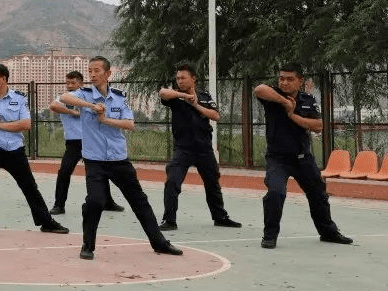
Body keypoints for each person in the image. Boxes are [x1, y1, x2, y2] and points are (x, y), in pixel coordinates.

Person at [58, 56, 183, 260]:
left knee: (139, 201)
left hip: (119, 159)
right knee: (96, 201)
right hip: (95, 160)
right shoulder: (83, 94)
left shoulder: (118, 97)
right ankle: (88, 246)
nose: (92, 74)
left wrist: (106, 120)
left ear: (108, 74)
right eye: (90, 71)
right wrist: (90, 106)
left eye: (97, 70)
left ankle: (159, 243)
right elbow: (64, 98)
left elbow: (130, 124)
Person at [0, 64, 69, 233]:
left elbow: (26, 124)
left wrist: (1, 125)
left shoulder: (19, 98)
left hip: (15, 151)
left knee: (30, 187)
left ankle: (46, 222)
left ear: (3, 79)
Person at [254, 63, 352, 249]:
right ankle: (270, 236)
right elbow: (259, 89)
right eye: (281, 78)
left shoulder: (308, 100)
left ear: (300, 81)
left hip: (302, 158)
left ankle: (328, 233)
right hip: (277, 159)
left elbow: (317, 126)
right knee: (275, 193)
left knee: (318, 194)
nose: (284, 82)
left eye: (290, 79)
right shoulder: (273, 96)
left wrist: (292, 115)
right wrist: (284, 102)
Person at [157, 64, 241, 231]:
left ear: (193, 79)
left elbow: (216, 116)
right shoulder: (175, 96)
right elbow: (162, 93)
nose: (179, 81)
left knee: (213, 183)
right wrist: (184, 96)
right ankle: (169, 220)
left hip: (204, 149)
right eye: (177, 78)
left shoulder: (205, 96)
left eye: (183, 78)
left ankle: (220, 217)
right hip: (183, 149)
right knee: (172, 181)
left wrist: (196, 105)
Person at [48, 70, 124, 215]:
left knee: (99, 172)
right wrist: (74, 112)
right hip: (73, 143)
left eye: (73, 83)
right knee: (64, 172)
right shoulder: (63, 98)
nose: (70, 85)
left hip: (91, 141)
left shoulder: (90, 97)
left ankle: (108, 202)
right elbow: (53, 106)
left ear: (81, 83)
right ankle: (59, 205)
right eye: (68, 82)